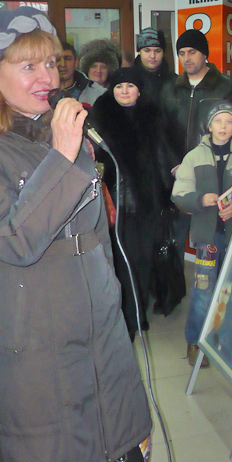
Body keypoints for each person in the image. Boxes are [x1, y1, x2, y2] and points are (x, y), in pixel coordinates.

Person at [0, 7, 151, 462]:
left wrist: (110, 291)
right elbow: (9, 240)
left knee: (110, 457)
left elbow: (95, 231)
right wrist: (61, 155)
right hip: (36, 332)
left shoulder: (64, 132)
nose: (49, 78)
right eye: (28, 66)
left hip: (98, 321)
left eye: (52, 63)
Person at [92, 66, 183, 339]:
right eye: (119, 87)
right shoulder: (101, 116)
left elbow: (165, 155)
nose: (124, 91)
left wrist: (170, 191)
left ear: (139, 90)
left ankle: (137, 313)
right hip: (116, 201)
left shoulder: (154, 115)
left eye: (130, 86)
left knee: (144, 259)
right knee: (123, 260)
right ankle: (126, 317)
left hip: (149, 200)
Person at [172, 102, 232, 367]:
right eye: (218, 121)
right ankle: (196, 341)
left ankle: (228, 340)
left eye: (229, 122)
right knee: (203, 290)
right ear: (209, 126)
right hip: (207, 238)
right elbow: (179, 194)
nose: (224, 127)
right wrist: (200, 200)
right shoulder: (194, 157)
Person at [161, 29, 232, 262]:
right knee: (175, 241)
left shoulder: (225, 87)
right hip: (178, 175)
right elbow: (162, 133)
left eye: (192, 52)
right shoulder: (169, 88)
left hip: (213, 173)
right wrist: (175, 166)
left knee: (214, 242)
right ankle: (176, 285)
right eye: (182, 53)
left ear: (205, 54)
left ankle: (217, 283)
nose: (187, 58)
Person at [133, 27, 176, 103]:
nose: (152, 56)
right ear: (139, 52)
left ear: (163, 52)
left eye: (157, 51)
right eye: (147, 51)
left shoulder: (174, 81)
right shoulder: (129, 80)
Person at [57, 41, 106, 105]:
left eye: (67, 58)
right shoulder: (44, 93)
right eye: (58, 59)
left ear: (76, 62)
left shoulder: (98, 94)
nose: (63, 64)